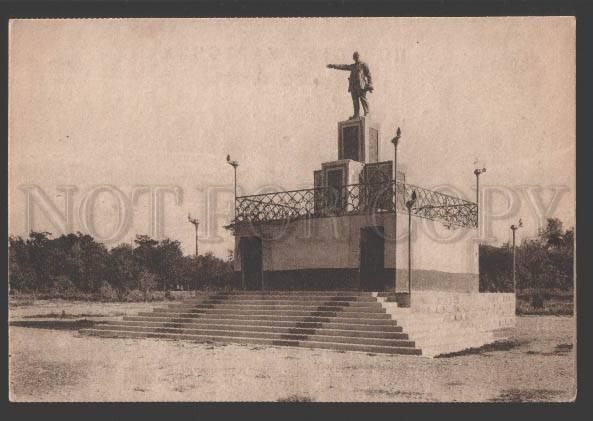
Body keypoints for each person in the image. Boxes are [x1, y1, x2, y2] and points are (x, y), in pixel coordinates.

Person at [327, 51, 374, 119]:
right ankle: (356, 114)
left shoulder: (364, 65)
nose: (356, 58)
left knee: (363, 99)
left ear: (359, 57)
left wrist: (370, 84)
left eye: (357, 56)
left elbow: (369, 75)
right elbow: (343, 66)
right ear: (353, 58)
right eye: (355, 57)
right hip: (353, 86)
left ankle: (367, 113)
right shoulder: (352, 66)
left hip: (361, 86)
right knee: (355, 101)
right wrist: (333, 66)